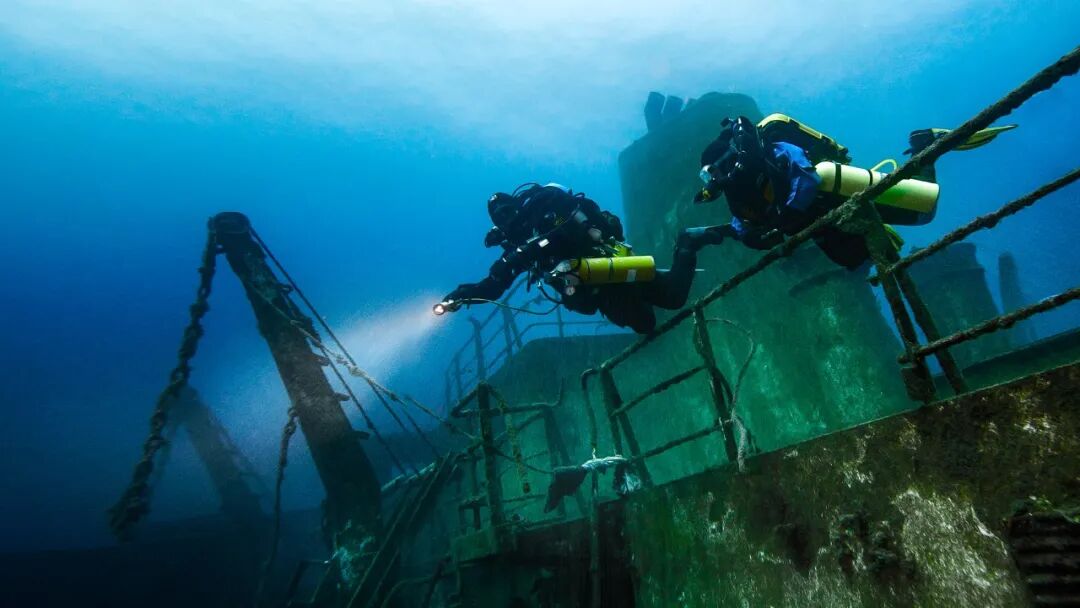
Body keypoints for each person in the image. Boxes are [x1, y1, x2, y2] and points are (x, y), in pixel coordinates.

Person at [693, 114, 1015, 269]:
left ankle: (926, 148)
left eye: (712, 172)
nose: (712, 180)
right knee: (854, 260)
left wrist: (786, 217)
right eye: (707, 175)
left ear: (729, 159)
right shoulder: (737, 195)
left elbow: (807, 179)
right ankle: (880, 236)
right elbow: (742, 223)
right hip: (823, 220)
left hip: (835, 197)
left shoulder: (774, 152)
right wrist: (749, 237)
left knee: (924, 211)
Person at [436, 183, 727, 334]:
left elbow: (568, 233)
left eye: (508, 210)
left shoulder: (544, 213)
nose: (506, 218)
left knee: (673, 299)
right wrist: (462, 296)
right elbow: (494, 286)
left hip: (605, 267)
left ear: (518, 206)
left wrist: (528, 251)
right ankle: (685, 245)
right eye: (499, 218)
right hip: (594, 289)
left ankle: (687, 241)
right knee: (647, 323)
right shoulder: (517, 251)